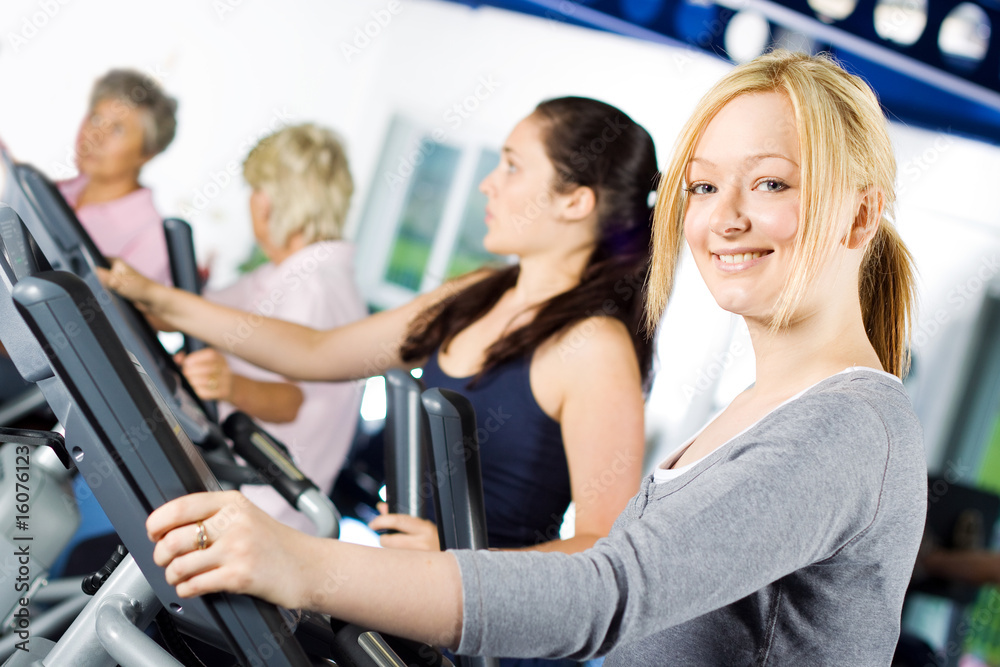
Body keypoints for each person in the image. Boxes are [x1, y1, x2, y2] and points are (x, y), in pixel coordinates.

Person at [135, 50, 929, 664]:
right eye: (705, 188)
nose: (725, 219)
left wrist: (307, 565)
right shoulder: (769, 409)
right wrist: (163, 303)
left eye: (771, 184)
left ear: (859, 214)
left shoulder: (845, 427)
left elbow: (607, 585)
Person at [105, 96, 655, 570]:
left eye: (511, 167)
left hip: (487, 634)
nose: (488, 183)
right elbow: (313, 351)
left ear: (575, 201)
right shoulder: (478, 293)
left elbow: (605, 552)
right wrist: (162, 302)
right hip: (409, 595)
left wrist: (460, 562)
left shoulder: (594, 347)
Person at [180, 123, 368, 534]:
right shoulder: (288, 274)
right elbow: (198, 310)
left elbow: (290, 400)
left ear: (265, 202)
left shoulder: (314, 288)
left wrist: (229, 384)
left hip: (262, 514)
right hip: (240, 496)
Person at [59, 68, 177, 284]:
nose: (96, 136)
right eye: (96, 119)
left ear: (147, 153)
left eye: (118, 130)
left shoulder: (150, 238)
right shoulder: (56, 190)